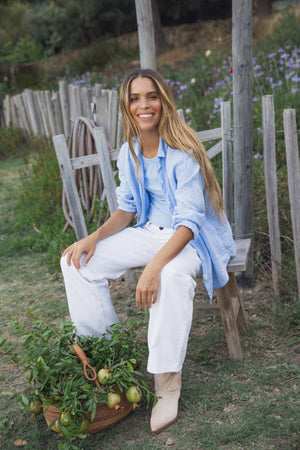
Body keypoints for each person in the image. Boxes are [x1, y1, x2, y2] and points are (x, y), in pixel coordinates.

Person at [60, 68, 236, 434]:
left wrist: (155, 267)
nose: (144, 104)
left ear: (164, 101)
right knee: (76, 262)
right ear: (127, 105)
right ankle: (109, 364)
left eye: (151, 96)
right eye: (136, 98)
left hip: (190, 240)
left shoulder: (183, 153)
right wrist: (94, 237)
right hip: (151, 232)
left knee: (171, 277)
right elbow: (127, 209)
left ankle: (166, 383)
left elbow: (189, 222)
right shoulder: (130, 151)